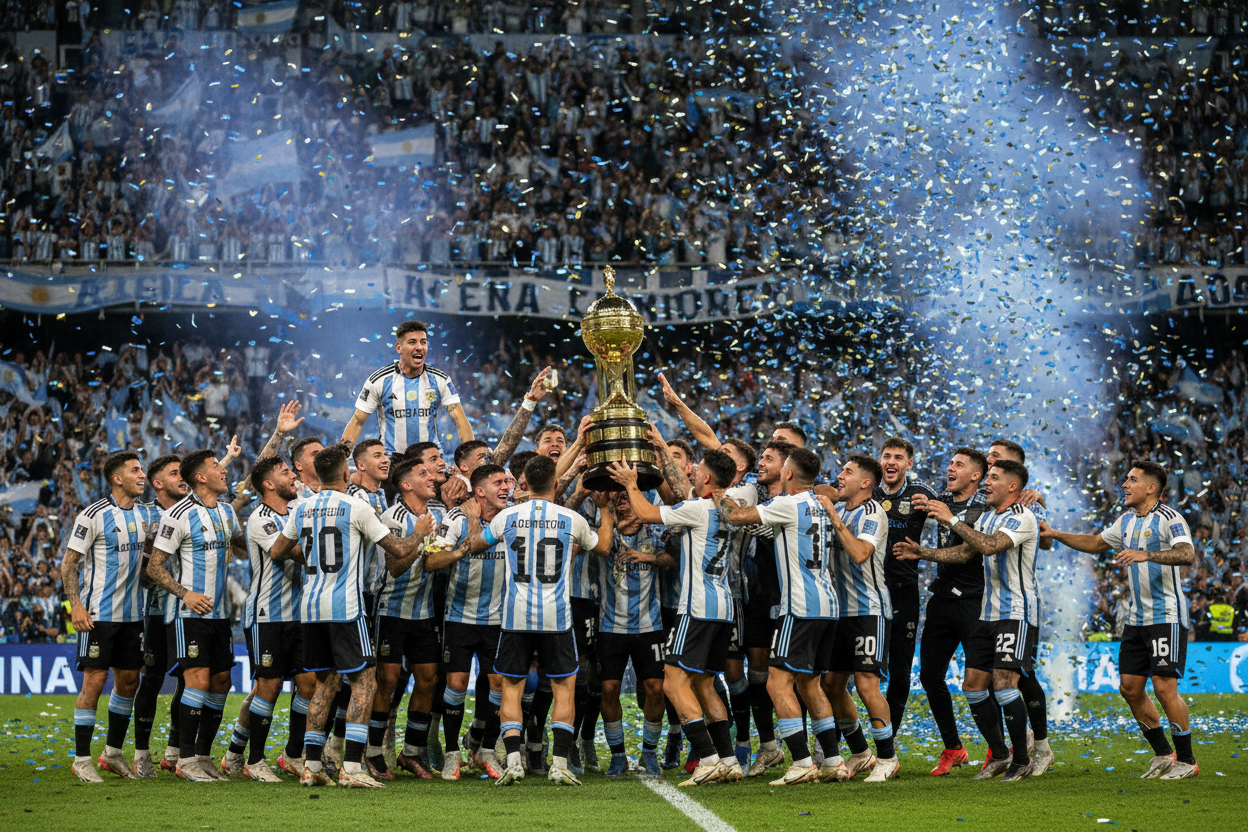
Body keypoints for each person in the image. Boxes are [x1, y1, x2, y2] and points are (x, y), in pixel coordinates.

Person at [269, 445, 433, 788]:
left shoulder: (303, 509)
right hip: (346, 608)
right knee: (364, 684)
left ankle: (311, 766)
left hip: (310, 609)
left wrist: (312, 555)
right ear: (346, 473)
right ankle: (352, 768)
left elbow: (277, 550)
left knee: (324, 685)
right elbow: (400, 550)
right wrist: (419, 532)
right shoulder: (356, 507)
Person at [1039, 461, 1199, 779]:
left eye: (1133, 480)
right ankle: (1164, 754)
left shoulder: (1171, 518)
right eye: (1126, 478)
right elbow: (1096, 543)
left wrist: (1146, 554)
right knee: (1129, 688)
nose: (1125, 484)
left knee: (1165, 686)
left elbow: (1186, 554)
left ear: (1151, 487)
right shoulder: (1126, 520)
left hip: (1166, 616)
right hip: (1137, 619)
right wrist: (1056, 534)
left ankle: (1187, 760)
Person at [460, 454, 613, 786]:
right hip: (556, 619)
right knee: (564, 689)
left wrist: (474, 520)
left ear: (523, 483)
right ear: (556, 484)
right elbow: (602, 547)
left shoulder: (507, 517)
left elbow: (474, 545)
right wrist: (604, 509)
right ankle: (559, 764)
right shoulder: (572, 519)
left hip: (516, 618)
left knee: (511, 690)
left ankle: (513, 761)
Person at [896, 458, 1042, 782]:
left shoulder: (1022, 517)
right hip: (988, 613)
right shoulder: (989, 517)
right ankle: (1000, 755)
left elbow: (990, 547)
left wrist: (950, 521)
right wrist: (923, 552)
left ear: (1012, 487)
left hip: (1015, 612)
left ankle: (1022, 759)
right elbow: (965, 553)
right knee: (974, 687)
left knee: (1004, 687)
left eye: (994, 478)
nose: (987, 483)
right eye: (987, 477)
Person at [610, 446, 741, 787]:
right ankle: (727, 760)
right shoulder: (732, 508)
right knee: (705, 684)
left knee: (672, 681)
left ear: (708, 477)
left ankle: (707, 757)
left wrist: (631, 484)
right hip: (724, 607)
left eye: (696, 469)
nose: (691, 473)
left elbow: (647, 513)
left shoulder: (698, 508)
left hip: (698, 607)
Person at [717, 447, 844, 786]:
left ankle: (802, 760)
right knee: (811, 684)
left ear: (788, 474)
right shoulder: (821, 505)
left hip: (799, 607)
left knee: (776, 683)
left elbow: (736, 517)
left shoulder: (787, 503)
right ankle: (832, 760)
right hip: (828, 606)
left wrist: (717, 491)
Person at [145, 449, 245, 783]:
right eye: (217, 466)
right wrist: (185, 593)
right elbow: (154, 566)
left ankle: (202, 755)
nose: (224, 470)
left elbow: (243, 546)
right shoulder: (178, 514)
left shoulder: (227, 513)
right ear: (200, 477)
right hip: (188, 614)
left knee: (221, 682)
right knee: (198, 681)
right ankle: (184, 759)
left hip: (219, 616)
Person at [222, 455, 316, 782]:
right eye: (285, 472)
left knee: (307, 685)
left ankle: (291, 754)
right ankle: (254, 759)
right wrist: (327, 548)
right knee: (270, 686)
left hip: (300, 615)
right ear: (268, 484)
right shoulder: (260, 519)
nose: (293, 476)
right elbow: (286, 551)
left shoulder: (296, 509)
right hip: (267, 615)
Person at [62, 450, 151, 783]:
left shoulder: (145, 515)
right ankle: (81, 758)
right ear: (117, 478)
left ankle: (112, 753)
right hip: (98, 614)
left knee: (129, 681)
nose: (141, 475)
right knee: (95, 681)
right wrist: (76, 605)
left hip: (132, 616)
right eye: (135, 470)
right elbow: (70, 562)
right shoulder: (93, 515)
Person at [423, 462, 511, 779]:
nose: (506, 487)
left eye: (507, 482)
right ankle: (451, 754)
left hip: (499, 618)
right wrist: (460, 553)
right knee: (456, 685)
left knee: (497, 684)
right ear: (479, 490)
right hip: (460, 616)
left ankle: (486, 750)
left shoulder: (511, 517)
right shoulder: (457, 518)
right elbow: (431, 561)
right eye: (498, 482)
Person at [817, 454, 898, 782]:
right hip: (841, 612)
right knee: (832, 685)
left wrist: (834, 517)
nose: (840, 476)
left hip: (869, 611)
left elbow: (861, 553)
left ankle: (888, 758)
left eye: (847, 472)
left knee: (867, 684)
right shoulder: (845, 508)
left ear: (865, 483)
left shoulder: (871, 512)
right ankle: (861, 752)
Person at [366, 456, 447, 781]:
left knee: (428, 678)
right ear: (405, 485)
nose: (432, 477)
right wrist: (419, 537)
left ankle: (411, 751)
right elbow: (394, 568)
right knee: (386, 680)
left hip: (424, 611)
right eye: (423, 473)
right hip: (391, 611)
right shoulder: (392, 517)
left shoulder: (439, 513)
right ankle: (373, 753)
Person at [915, 448, 989, 776]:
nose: (950, 467)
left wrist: (922, 552)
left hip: (974, 602)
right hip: (942, 600)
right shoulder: (942, 500)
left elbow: (965, 553)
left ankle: (998, 747)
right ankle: (953, 747)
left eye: (959, 464)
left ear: (976, 475)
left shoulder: (985, 507)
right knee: (930, 676)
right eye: (950, 462)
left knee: (982, 682)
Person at [592, 490, 669, 776]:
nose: (622, 500)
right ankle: (618, 755)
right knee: (609, 688)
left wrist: (648, 557)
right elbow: (597, 547)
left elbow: (674, 557)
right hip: (610, 625)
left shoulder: (655, 529)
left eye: (628, 495)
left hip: (650, 625)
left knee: (655, 688)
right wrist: (605, 514)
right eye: (618, 496)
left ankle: (649, 751)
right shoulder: (604, 528)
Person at [873, 437, 937, 737]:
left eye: (898, 457)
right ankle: (843, 739)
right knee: (859, 671)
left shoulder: (921, 494)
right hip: (868, 590)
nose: (891, 462)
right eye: (887, 456)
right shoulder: (867, 488)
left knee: (899, 673)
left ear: (909, 464)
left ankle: (889, 740)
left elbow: (954, 509)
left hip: (903, 590)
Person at [131, 453, 186, 778]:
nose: (182, 478)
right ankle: (141, 754)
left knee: (186, 678)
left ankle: (175, 751)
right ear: (157, 483)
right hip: (153, 609)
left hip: (184, 612)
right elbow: (141, 570)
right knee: (150, 679)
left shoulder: (190, 511)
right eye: (174, 473)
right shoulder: (144, 516)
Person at [342, 320, 473, 455]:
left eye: (423, 342)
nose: (419, 347)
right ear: (399, 348)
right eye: (412, 342)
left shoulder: (440, 380)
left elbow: (459, 419)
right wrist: (341, 457)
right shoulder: (379, 380)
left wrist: (471, 457)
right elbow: (357, 420)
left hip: (429, 462)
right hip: (392, 463)